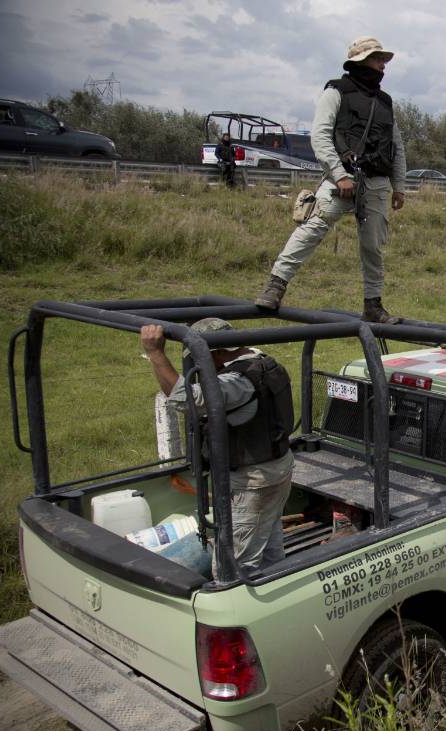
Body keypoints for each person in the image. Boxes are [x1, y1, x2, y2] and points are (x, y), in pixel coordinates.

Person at [254, 36, 407, 323]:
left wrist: (399, 186)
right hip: (341, 180)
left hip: (376, 183)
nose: (383, 65)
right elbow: (320, 137)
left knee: (373, 247)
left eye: (383, 60)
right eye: (378, 59)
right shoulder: (335, 92)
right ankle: (275, 286)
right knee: (311, 229)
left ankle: (373, 305)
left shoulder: (385, 102)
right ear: (362, 61)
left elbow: (396, 146)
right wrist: (340, 175)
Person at [140, 318, 295, 576]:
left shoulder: (237, 383)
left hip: (253, 482)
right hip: (275, 470)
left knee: (232, 565)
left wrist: (155, 353)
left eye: (201, 359)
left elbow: (183, 398)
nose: (200, 366)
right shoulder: (262, 362)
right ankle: (274, 584)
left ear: (217, 353)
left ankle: (238, 598)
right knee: (269, 544)